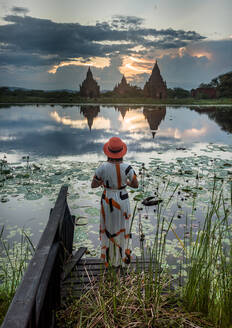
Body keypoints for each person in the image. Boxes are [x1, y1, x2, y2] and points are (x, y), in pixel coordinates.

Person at [91, 136, 138, 268]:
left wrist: (103, 182)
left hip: (108, 200)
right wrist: (125, 183)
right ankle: (121, 259)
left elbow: (93, 185)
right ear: (122, 152)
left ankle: (109, 260)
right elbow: (135, 184)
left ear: (108, 152)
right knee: (122, 227)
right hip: (122, 200)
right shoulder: (128, 168)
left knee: (109, 227)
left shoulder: (103, 167)